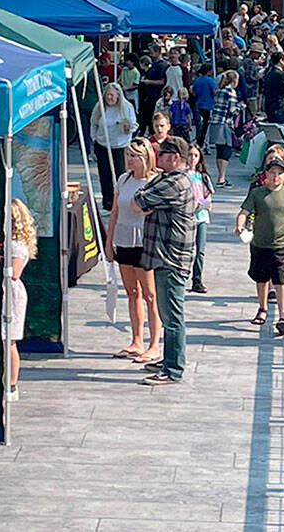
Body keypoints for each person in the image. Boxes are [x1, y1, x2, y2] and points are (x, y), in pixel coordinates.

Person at [133, 136, 197, 385]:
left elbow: (138, 201)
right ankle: (169, 359)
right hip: (164, 256)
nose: (157, 159)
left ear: (174, 159)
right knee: (166, 311)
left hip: (171, 258)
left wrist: (146, 195)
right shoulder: (166, 179)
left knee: (172, 315)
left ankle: (174, 369)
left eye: (162, 155)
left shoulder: (176, 183)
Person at [236, 158, 284, 338]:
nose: (276, 176)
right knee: (261, 278)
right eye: (272, 172)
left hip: (280, 244)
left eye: (280, 173)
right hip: (259, 243)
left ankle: (282, 317)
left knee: (281, 280)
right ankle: (262, 308)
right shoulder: (257, 193)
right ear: (266, 174)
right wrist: (240, 225)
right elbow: (244, 211)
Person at [106, 138, 159, 362]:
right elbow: (115, 211)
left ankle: (154, 344)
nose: (130, 159)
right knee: (132, 292)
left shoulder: (153, 181)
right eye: (128, 155)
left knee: (150, 294)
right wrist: (109, 242)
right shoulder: (123, 179)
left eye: (135, 156)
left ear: (145, 157)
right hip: (124, 238)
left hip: (144, 240)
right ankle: (136, 340)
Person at [5, 199, 36, 401]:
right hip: (7, 291)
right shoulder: (12, 242)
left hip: (12, 293)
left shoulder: (17, 246)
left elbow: (14, 273)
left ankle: (12, 383)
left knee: (10, 340)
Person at [91, 83, 137, 212]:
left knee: (120, 175)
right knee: (104, 175)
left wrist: (127, 129)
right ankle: (108, 204)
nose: (109, 98)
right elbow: (93, 123)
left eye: (112, 95)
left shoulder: (126, 107)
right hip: (103, 145)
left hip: (120, 146)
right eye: (107, 95)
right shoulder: (100, 107)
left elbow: (133, 124)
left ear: (118, 96)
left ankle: (122, 203)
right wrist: (94, 138)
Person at [187, 143, 214, 293]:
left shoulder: (203, 177)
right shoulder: (182, 175)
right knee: (187, 249)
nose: (192, 159)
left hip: (201, 217)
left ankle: (197, 278)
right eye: (190, 155)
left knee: (200, 250)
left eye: (196, 155)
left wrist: (201, 204)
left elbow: (209, 200)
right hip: (186, 217)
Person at [208, 70, 241, 186]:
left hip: (215, 122)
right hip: (225, 124)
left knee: (219, 150)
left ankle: (220, 176)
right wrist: (240, 108)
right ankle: (221, 177)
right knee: (226, 151)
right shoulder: (231, 92)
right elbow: (232, 110)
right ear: (234, 80)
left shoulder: (219, 91)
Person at [263, 51, 284, 123]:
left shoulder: (269, 73)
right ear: (281, 61)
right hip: (281, 109)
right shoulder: (281, 75)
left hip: (269, 107)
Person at [192, 62, 217, 145]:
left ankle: (198, 140)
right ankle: (203, 142)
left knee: (199, 125)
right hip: (208, 105)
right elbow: (214, 91)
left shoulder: (197, 80)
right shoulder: (210, 80)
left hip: (198, 103)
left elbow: (193, 92)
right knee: (206, 125)